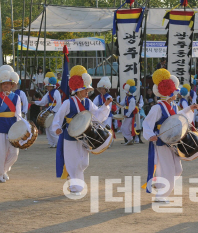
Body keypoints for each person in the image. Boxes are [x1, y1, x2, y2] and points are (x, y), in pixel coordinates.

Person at [51, 65, 111, 195]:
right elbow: (58, 117)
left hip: (84, 135)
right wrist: (56, 128)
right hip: (70, 135)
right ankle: (75, 186)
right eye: (86, 90)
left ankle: (76, 183)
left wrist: (105, 106)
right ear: (78, 90)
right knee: (73, 161)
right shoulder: (68, 103)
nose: (88, 92)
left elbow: (97, 115)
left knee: (83, 162)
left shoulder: (88, 102)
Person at [142, 68, 198, 203]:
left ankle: (159, 184)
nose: (176, 95)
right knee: (167, 168)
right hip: (161, 142)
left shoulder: (173, 106)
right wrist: (151, 135)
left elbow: (179, 118)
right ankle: (161, 195)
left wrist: (189, 109)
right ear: (169, 93)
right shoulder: (157, 108)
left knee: (177, 169)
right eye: (174, 92)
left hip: (173, 141)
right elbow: (147, 123)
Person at [33, 76, 61, 148]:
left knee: (51, 128)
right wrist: (35, 102)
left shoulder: (56, 92)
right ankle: (52, 143)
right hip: (50, 111)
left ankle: (58, 143)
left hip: (55, 112)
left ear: (52, 86)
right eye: (47, 86)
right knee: (47, 128)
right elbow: (43, 102)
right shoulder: (48, 93)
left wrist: (54, 110)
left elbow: (59, 102)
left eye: (48, 86)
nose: (47, 87)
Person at [121, 79, 138, 145]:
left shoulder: (132, 99)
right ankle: (130, 139)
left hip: (130, 115)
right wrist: (117, 103)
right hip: (128, 115)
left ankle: (130, 139)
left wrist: (127, 114)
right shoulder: (126, 97)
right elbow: (122, 103)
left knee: (124, 127)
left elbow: (131, 108)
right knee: (124, 127)